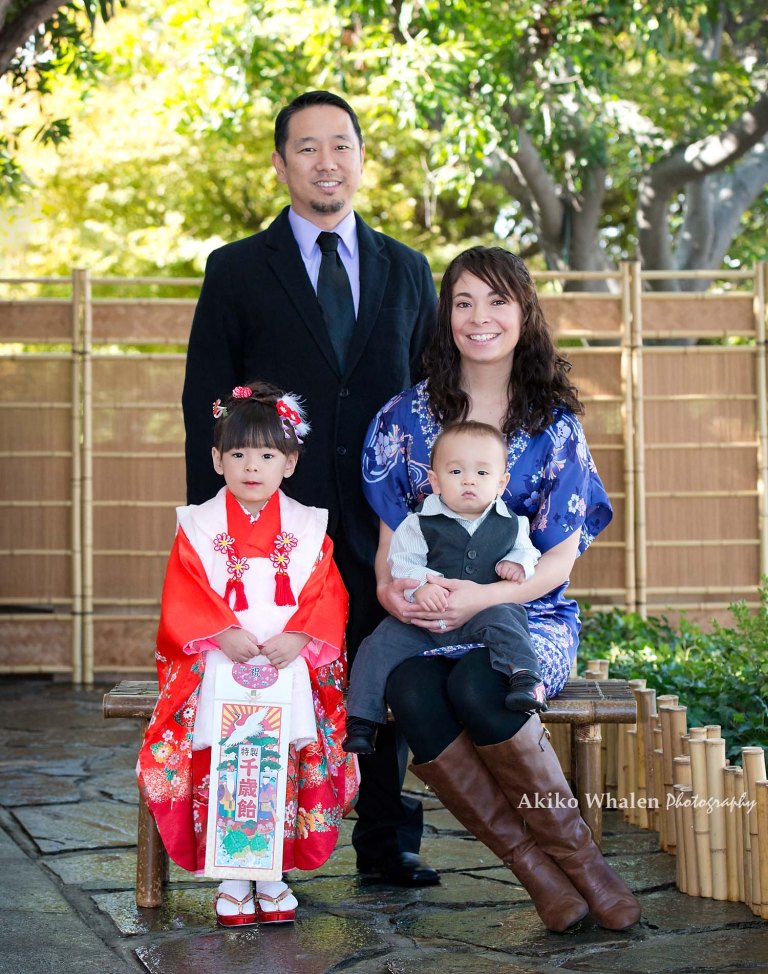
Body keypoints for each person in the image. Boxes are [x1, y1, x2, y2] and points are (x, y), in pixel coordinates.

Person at [181, 90, 438, 886]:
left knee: (383, 669)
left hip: (383, 519)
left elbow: (431, 397)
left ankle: (386, 842)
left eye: (341, 146)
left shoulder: (407, 268)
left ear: (361, 157)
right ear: (280, 163)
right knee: (270, 672)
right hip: (273, 525)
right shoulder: (235, 269)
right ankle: (261, 849)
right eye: (307, 148)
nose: (327, 162)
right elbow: (205, 401)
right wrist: (217, 529)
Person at [361, 246, 641, 932]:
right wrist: (394, 594)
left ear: (524, 314)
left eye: (497, 301)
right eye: (463, 302)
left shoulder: (555, 425)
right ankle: (535, 873)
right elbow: (391, 550)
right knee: (408, 690)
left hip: (527, 616)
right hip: (433, 619)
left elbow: (558, 563)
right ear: (445, 316)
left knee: (480, 686)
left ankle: (584, 867)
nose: (479, 317)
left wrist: (482, 599)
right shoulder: (404, 418)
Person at [137, 381, 358, 926]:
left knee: (280, 761)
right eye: (237, 454)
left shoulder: (309, 526)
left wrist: (301, 637)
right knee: (227, 761)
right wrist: (220, 633)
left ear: (290, 462)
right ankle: (234, 877)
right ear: (217, 460)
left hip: (289, 664)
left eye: (266, 455)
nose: (251, 466)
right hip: (220, 661)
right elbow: (185, 591)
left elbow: (327, 593)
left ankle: (274, 874)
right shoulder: (198, 525)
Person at [343, 420, 547, 755]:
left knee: (509, 619)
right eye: (455, 472)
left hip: (481, 615)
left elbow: (528, 552)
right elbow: (403, 561)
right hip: (426, 618)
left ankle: (525, 678)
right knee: (377, 644)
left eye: (482, 473)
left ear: (501, 482)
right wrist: (421, 586)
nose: (469, 480)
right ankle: (362, 719)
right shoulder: (418, 522)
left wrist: (518, 563)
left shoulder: (514, 524)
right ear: (435, 481)